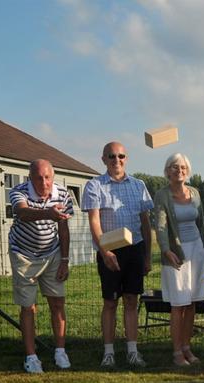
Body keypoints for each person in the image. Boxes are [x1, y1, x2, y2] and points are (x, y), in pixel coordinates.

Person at [82, 142, 153, 368]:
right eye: (111, 156)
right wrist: (105, 252)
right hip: (109, 249)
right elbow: (94, 222)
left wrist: (148, 256)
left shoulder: (139, 185)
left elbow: (145, 223)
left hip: (135, 249)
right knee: (110, 302)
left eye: (121, 156)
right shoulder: (94, 185)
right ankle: (109, 353)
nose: (117, 160)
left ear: (126, 158)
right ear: (103, 159)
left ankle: (133, 351)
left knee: (132, 300)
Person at [7, 159, 73, 373]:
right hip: (23, 254)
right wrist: (48, 213)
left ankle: (60, 352)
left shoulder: (63, 194)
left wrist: (64, 260)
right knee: (28, 306)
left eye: (47, 177)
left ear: (53, 177)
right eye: (38, 177)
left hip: (52, 254)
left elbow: (63, 228)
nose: (44, 182)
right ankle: (31, 357)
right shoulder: (19, 192)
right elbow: (22, 213)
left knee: (57, 304)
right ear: (30, 178)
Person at [153, 152, 204, 366]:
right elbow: (160, 226)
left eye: (182, 167)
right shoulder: (162, 195)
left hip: (196, 251)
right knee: (178, 304)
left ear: (187, 171)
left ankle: (187, 347)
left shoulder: (196, 193)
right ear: (167, 171)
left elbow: (200, 224)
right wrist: (165, 250)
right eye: (174, 167)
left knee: (191, 303)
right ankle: (176, 352)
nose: (179, 170)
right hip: (176, 254)